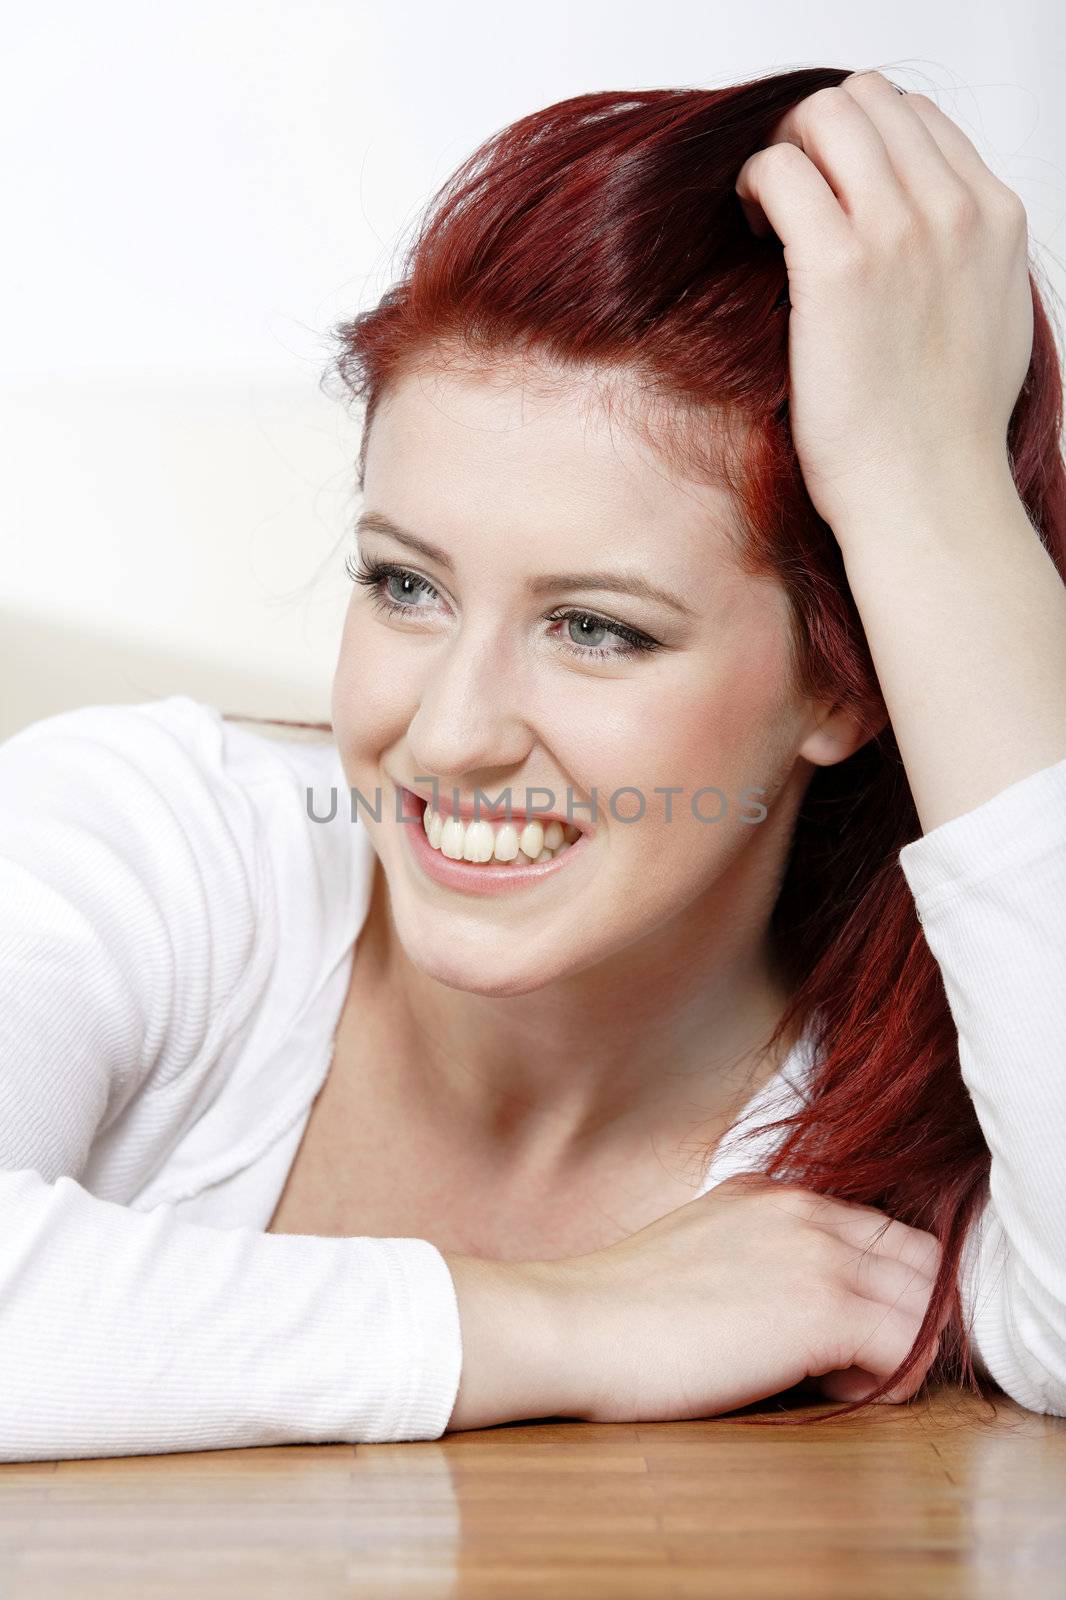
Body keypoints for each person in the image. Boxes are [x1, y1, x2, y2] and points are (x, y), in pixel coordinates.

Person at [2, 66, 1065, 1462]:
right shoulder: (156, 843)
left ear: (844, 680)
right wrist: (567, 1322)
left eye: (595, 629)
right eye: (404, 586)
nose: (447, 737)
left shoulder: (916, 1143)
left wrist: (927, 494)